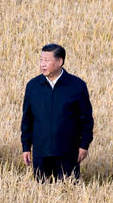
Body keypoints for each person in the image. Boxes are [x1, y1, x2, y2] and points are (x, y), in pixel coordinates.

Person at [20, 43, 94, 180]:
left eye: (47, 60)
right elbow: (27, 119)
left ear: (60, 61)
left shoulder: (77, 86)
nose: (42, 64)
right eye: (41, 60)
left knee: (69, 192)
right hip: (41, 152)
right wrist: (26, 147)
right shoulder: (33, 86)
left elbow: (86, 119)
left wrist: (84, 145)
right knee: (41, 193)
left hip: (68, 152)